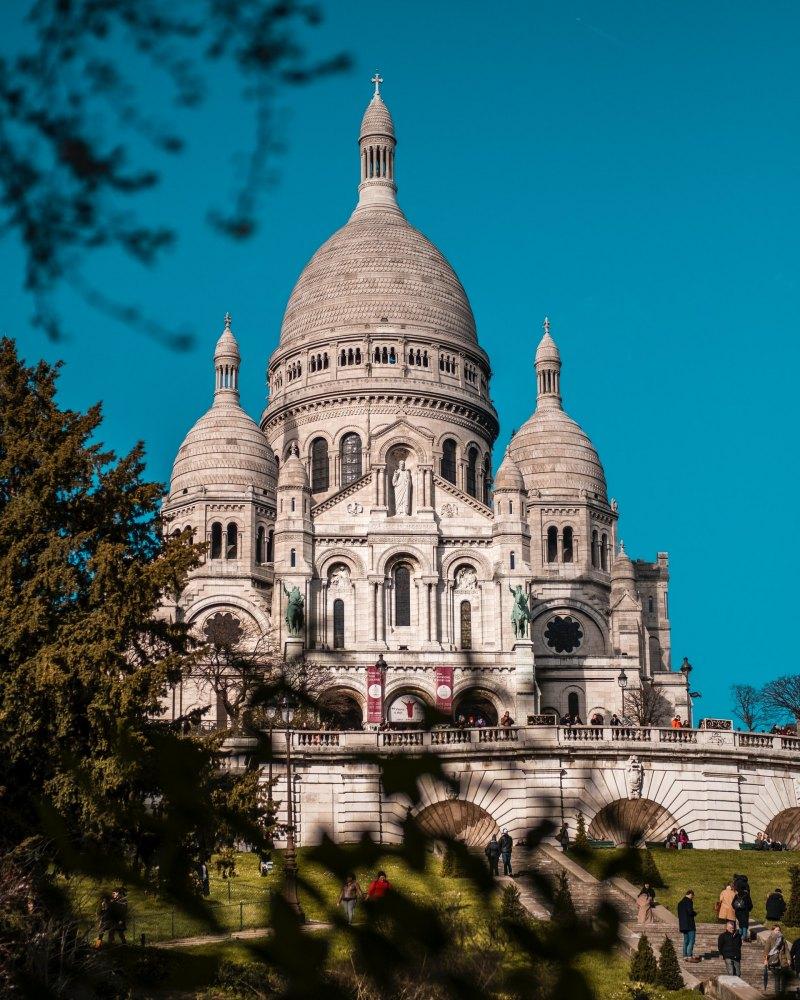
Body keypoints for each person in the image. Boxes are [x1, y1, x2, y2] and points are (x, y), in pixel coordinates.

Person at [763, 924, 789, 993]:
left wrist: (789, 959)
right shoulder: (770, 938)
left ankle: (782, 993)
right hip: (773, 960)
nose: (778, 931)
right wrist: (765, 960)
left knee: (783, 978)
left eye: (779, 930)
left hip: (782, 960)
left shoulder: (782, 938)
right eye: (776, 930)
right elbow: (766, 950)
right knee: (777, 978)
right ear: (772, 931)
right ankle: (777, 993)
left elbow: (786, 949)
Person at [677, 889, 699, 962]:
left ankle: (685, 956)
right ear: (690, 894)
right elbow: (690, 912)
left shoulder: (680, 903)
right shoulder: (689, 901)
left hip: (683, 925)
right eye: (692, 896)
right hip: (690, 924)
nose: (692, 898)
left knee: (685, 940)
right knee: (691, 940)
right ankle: (689, 956)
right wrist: (694, 913)